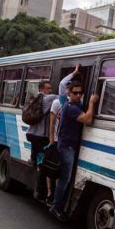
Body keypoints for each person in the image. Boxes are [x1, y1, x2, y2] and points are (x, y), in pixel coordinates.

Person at [27, 67, 80, 202]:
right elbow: (63, 90)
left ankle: (34, 165)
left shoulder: (35, 98)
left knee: (39, 161)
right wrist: (73, 76)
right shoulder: (52, 99)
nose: (51, 90)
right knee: (44, 165)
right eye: (48, 88)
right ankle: (40, 192)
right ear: (43, 89)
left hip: (32, 135)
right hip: (42, 138)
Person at [50, 81, 99, 220]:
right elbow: (88, 120)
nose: (78, 95)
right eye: (75, 93)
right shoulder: (71, 107)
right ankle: (56, 207)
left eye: (80, 93)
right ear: (69, 93)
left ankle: (58, 204)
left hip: (68, 146)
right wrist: (91, 103)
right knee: (65, 178)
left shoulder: (75, 105)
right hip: (67, 148)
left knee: (65, 177)